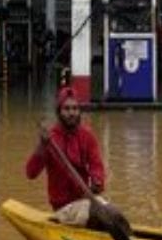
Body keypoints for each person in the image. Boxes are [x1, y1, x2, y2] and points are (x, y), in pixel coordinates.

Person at [25, 87, 131, 231]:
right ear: (59, 112)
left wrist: (97, 181)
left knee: (115, 214)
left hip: (86, 200)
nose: (71, 113)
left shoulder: (87, 136)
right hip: (63, 208)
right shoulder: (50, 140)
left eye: (75, 109)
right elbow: (30, 173)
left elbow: (96, 165)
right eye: (67, 109)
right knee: (99, 213)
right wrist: (41, 146)